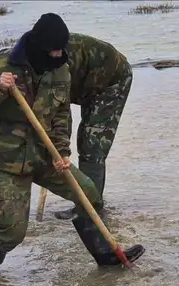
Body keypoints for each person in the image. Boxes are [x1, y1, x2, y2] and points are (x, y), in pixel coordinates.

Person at [0, 13, 144, 277]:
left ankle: (104, 254)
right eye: (54, 51)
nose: (59, 55)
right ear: (38, 46)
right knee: (13, 232)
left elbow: (60, 115)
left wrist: (63, 153)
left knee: (88, 193)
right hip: (6, 159)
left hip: (44, 156)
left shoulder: (60, 68)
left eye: (61, 51)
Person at [52, 33, 134, 220]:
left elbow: (61, 114)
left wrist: (59, 149)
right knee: (86, 140)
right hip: (84, 83)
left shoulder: (56, 63)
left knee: (91, 143)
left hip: (111, 81)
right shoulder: (27, 60)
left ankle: (91, 209)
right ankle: (87, 203)